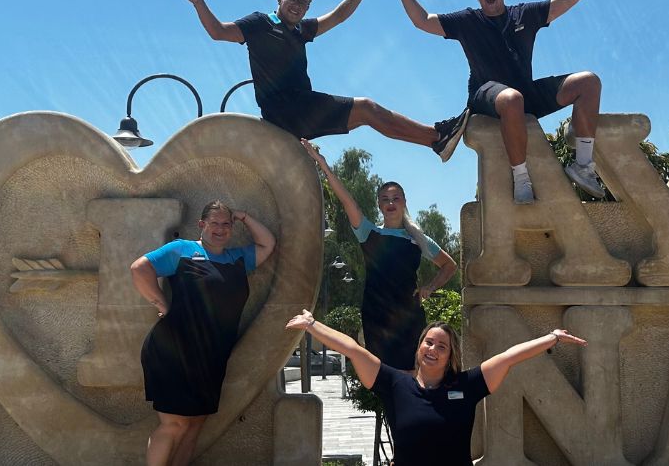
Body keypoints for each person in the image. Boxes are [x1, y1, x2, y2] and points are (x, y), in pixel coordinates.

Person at [179, 0, 470, 161]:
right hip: (286, 113)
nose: (298, 6)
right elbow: (218, 32)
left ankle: (435, 142)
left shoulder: (301, 30)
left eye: (304, 4)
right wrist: (198, 2)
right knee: (367, 108)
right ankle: (436, 136)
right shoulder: (261, 23)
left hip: (304, 109)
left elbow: (338, 16)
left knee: (368, 114)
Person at [380, 0, 609, 203]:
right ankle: (521, 179)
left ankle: (583, 165)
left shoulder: (523, 14)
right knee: (511, 99)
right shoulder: (467, 21)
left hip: (525, 93)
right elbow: (422, 20)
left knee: (588, 82)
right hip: (485, 94)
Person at [286, 311, 587, 465]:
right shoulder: (395, 383)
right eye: (428, 342)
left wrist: (552, 338)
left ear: (450, 355)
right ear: (419, 347)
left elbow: (508, 358)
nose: (433, 349)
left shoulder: (466, 386)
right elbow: (353, 350)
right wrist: (312, 325)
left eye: (441, 346)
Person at [130, 201, 275, 466]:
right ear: (201, 225)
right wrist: (161, 303)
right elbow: (139, 269)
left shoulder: (237, 259)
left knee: (195, 424)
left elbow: (267, 244)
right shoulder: (183, 250)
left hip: (211, 357)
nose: (220, 229)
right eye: (214, 223)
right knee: (174, 424)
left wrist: (244, 216)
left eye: (226, 224)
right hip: (173, 351)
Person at [303, 140, 456, 371]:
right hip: (376, 317)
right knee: (384, 379)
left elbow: (449, 265)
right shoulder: (369, 233)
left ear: (404, 202)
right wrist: (323, 165)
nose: (390, 203)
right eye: (385, 199)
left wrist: (430, 287)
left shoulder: (417, 239)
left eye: (395, 198)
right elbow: (347, 201)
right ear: (379, 204)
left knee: (414, 376)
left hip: (409, 317)